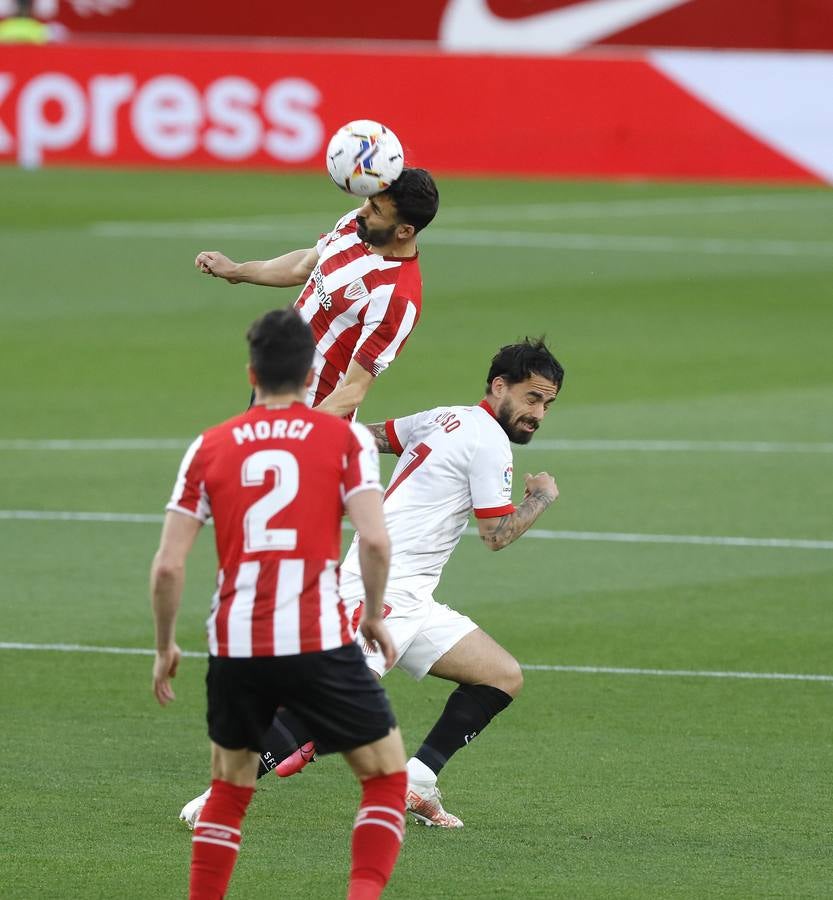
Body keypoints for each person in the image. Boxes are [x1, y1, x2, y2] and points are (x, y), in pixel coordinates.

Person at [180, 337, 564, 831]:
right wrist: (542, 497)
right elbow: (496, 534)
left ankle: (417, 781)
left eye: (547, 404)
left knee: (501, 675)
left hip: (410, 595)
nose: (538, 413)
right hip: (381, 594)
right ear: (499, 386)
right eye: (532, 399)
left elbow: (375, 436)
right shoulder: (488, 442)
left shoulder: (447, 418)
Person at [152, 308, 408, 899]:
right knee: (386, 777)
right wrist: (370, 613)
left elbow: (168, 564)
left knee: (231, 789)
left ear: (252, 373)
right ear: (312, 370)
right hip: (316, 638)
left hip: (237, 643)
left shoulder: (209, 447)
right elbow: (372, 538)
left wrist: (166, 645)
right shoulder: (343, 438)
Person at [194, 167, 439, 421]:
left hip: (315, 417)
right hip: (274, 391)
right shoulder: (355, 227)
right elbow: (305, 266)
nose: (362, 211)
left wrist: (302, 427)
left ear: (405, 231)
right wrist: (237, 271)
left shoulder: (396, 299)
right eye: (369, 200)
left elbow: (353, 390)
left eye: (376, 210)